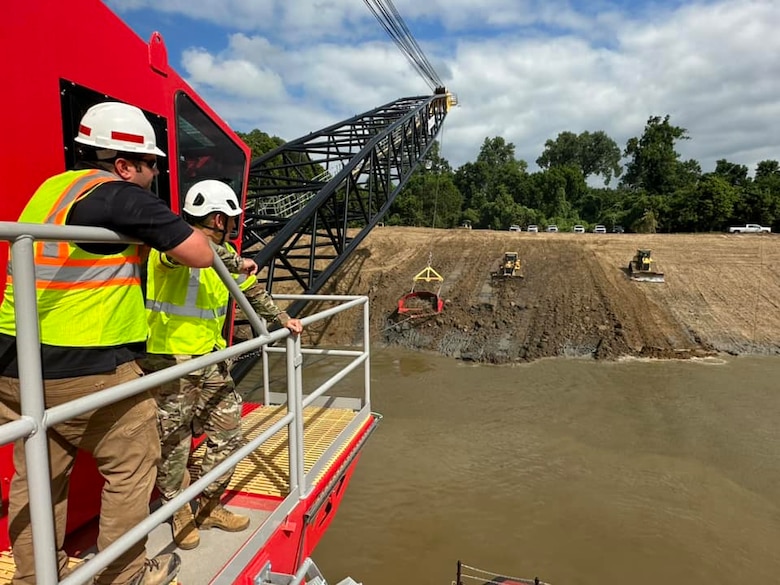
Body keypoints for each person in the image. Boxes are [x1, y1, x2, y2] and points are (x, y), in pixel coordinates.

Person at [0, 102, 214, 585]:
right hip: (85, 365)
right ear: (123, 164)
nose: (154, 174)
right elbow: (197, 252)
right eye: (151, 165)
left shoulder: (51, 190)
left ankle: (35, 578)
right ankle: (123, 575)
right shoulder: (120, 196)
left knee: (39, 479)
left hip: (15, 362)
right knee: (134, 463)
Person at [141, 179, 303, 550]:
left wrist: (280, 319)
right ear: (218, 219)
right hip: (172, 362)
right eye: (231, 219)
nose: (235, 226)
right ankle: (179, 511)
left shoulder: (225, 252)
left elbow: (251, 290)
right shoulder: (169, 248)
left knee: (229, 434)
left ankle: (208, 505)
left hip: (212, 360)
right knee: (175, 444)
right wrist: (232, 257)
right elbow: (197, 253)